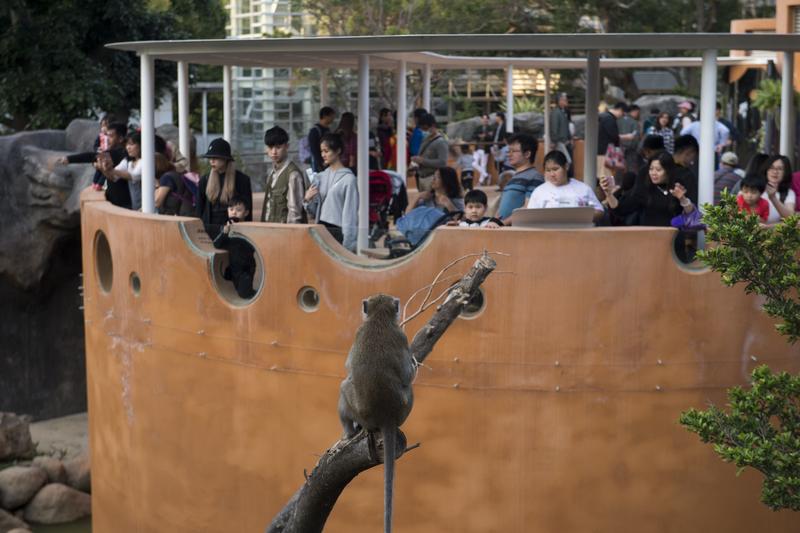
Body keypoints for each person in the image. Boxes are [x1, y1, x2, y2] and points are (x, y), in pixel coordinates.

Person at [600, 151, 695, 227]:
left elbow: (691, 215)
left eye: (658, 170)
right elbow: (620, 209)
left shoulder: (677, 186)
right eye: (651, 169)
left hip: (673, 240)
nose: (653, 173)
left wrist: (682, 198)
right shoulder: (645, 188)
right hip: (650, 239)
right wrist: (608, 193)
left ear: (668, 171)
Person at [304, 133, 359, 252]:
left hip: (339, 233)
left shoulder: (349, 179)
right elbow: (314, 211)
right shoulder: (320, 177)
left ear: (338, 151)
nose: (323, 155)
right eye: (321, 151)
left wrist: (348, 244)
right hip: (321, 231)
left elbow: (350, 214)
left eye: (326, 151)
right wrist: (307, 199)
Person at [58, 121, 131, 209]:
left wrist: (69, 159)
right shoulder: (117, 152)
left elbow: (91, 156)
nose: (107, 139)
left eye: (111, 136)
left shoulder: (118, 153)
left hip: (122, 203)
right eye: (106, 135)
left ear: (121, 138)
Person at [196, 138, 253, 238]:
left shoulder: (242, 180)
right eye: (210, 158)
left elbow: (247, 211)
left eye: (216, 157)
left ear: (226, 159)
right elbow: (199, 209)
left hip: (233, 231)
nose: (212, 161)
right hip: (209, 231)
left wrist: (247, 235)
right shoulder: (204, 180)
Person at [529, 150, 604, 222]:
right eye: (548, 170)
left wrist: (580, 218)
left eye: (555, 169)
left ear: (566, 166)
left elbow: (599, 211)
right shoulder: (539, 191)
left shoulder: (583, 188)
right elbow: (530, 216)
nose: (552, 174)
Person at [212, 195, 257, 299]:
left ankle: (250, 293)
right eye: (231, 209)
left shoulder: (249, 228)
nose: (234, 212)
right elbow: (216, 244)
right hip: (231, 268)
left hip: (246, 268)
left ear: (246, 212)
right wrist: (225, 232)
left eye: (238, 210)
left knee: (244, 294)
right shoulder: (225, 228)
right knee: (228, 292)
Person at [262, 126, 307, 224]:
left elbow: (295, 212)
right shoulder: (272, 172)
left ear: (287, 146)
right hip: (272, 230)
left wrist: (290, 235)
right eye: (270, 147)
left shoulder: (293, 174)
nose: (274, 152)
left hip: (285, 233)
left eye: (278, 147)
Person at [497, 133, 545, 221]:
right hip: (503, 230)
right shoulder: (513, 177)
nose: (509, 155)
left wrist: (503, 223)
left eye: (514, 151)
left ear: (527, 154)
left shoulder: (535, 177)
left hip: (516, 231)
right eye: (509, 151)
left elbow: (528, 209)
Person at [99, 132, 143, 211]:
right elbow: (113, 177)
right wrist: (104, 168)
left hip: (145, 206)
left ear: (141, 145)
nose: (128, 147)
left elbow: (134, 176)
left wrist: (111, 169)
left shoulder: (145, 161)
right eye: (127, 144)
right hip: (135, 206)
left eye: (131, 144)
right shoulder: (127, 161)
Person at [410, 113, 448, 192]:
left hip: (432, 178)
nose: (423, 131)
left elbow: (442, 162)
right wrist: (416, 163)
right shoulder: (425, 140)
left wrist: (422, 161)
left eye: (425, 128)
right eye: (422, 129)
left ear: (433, 126)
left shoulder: (440, 142)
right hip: (421, 177)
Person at [762, 154, 796, 223]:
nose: (775, 172)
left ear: (785, 172)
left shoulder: (789, 193)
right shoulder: (755, 187)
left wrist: (773, 197)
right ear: (766, 170)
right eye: (771, 167)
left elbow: (790, 218)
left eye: (780, 169)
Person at [597, 102, 623, 178]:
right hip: (606, 152)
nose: (621, 116)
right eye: (623, 113)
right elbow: (614, 136)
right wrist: (624, 137)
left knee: (601, 176)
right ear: (620, 110)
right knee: (606, 176)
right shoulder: (609, 118)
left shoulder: (603, 116)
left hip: (600, 150)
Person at [308, 106, 336, 173]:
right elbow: (313, 149)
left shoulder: (328, 130)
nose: (333, 118)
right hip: (319, 164)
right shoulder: (315, 131)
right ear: (325, 116)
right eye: (331, 116)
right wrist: (321, 162)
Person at [672, 135, 699, 205]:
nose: (693, 160)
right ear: (688, 152)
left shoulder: (660, 170)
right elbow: (693, 204)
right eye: (694, 155)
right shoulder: (687, 176)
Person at [549, 93, 572, 165]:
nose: (566, 101)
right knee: (566, 161)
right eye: (564, 100)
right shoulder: (556, 112)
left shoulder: (564, 112)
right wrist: (554, 141)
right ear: (559, 101)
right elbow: (554, 128)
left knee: (564, 161)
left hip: (564, 141)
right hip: (559, 142)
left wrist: (569, 138)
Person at [618, 104, 641, 172]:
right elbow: (636, 137)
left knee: (618, 168)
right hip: (631, 149)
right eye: (638, 113)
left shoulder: (618, 120)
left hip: (618, 148)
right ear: (634, 111)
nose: (638, 115)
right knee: (631, 169)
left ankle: (617, 182)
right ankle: (630, 182)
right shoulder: (635, 122)